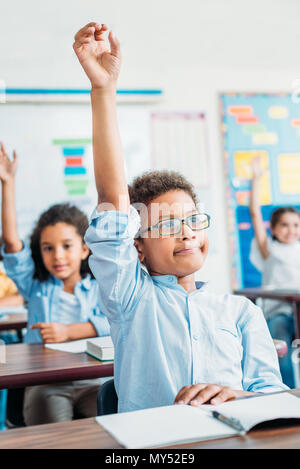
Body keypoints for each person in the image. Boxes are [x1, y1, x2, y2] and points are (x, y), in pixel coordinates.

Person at [73, 22, 287, 413]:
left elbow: (271, 394)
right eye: (168, 225)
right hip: (155, 445)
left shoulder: (241, 312)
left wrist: (239, 396)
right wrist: (104, 91)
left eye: (192, 220)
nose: (186, 233)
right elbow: (111, 201)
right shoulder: (130, 298)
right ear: (136, 247)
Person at [0, 141, 110, 425]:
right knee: (55, 436)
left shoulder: (101, 284)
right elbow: (12, 243)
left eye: (66, 246)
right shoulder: (35, 284)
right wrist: (7, 184)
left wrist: (68, 331)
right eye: (48, 248)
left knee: (109, 429)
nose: (57, 256)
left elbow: (118, 323)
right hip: (48, 383)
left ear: (85, 248)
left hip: (94, 379)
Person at [249, 156, 300, 388]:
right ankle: (288, 392)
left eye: (296, 225)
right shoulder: (269, 248)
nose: (291, 230)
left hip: (298, 310)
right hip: (279, 312)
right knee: (283, 355)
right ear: (274, 229)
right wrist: (256, 180)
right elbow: (254, 215)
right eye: (285, 225)